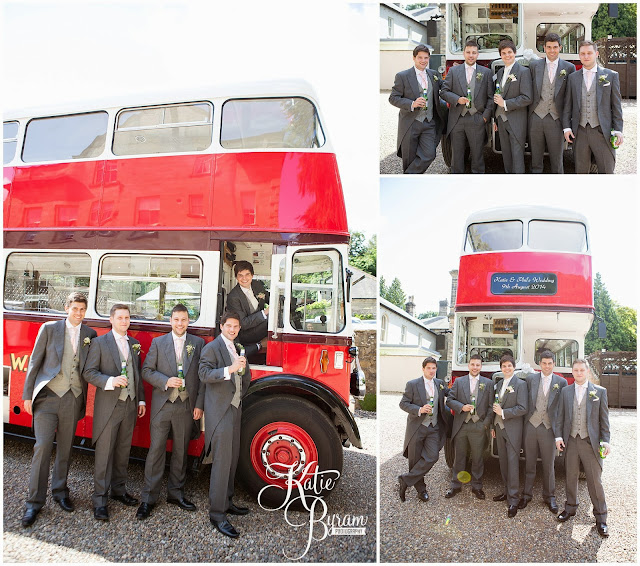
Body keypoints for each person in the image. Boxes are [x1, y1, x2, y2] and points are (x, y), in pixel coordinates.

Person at [20, 292, 97, 528]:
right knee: (42, 447)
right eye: (75, 309)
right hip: (47, 397)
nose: (79, 313)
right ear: (66, 308)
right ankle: (34, 502)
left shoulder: (90, 334)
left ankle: (60, 491)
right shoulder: (49, 329)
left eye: (82, 310)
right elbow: (34, 362)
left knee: (66, 448)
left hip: (73, 397)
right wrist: (27, 395)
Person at [136, 304, 205, 520]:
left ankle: (176, 493)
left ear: (188, 321)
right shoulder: (158, 343)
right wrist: (165, 381)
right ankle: (148, 498)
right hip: (163, 405)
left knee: (180, 452)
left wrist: (199, 405)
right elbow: (146, 371)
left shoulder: (198, 343)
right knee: (155, 451)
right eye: (176, 320)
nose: (180, 324)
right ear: (170, 321)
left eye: (184, 320)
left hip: (186, 405)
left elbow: (202, 377)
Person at [83, 304, 146, 521]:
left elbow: (136, 373)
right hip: (109, 406)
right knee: (104, 454)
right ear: (111, 319)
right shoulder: (100, 343)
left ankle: (118, 491)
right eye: (120, 317)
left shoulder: (135, 344)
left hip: (129, 405)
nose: (124, 321)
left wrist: (141, 400)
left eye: (127, 318)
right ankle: (99, 500)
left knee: (122, 451)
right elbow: (89, 373)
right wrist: (110, 381)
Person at [199, 312, 251, 538]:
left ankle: (228, 501)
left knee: (232, 457)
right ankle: (217, 514)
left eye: (236, 326)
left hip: (235, 407)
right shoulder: (212, 347)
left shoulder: (237, 346)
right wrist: (229, 370)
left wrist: (242, 375)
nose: (232, 329)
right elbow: (203, 374)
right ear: (221, 326)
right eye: (228, 325)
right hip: (219, 410)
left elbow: (244, 376)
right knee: (221, 461)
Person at [555, 359, 611, 537]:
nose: (579, 373)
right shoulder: (565, 392)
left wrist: (606, 440)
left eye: (582, 370)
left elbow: (604, 420)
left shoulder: (599, 392)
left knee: (595, 481)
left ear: (587, 371)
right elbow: (560, 417)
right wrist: (558, 437)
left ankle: (601, 518)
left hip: (590, 442)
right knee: (570, 477)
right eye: (576, 370)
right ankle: (570, 508)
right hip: (570, 441)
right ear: (572, 372)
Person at [563, 40, 624, 174]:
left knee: (607, 170)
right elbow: (568, 105)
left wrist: (618, 130)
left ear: (596, 54)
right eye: (583, 53)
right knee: (581, 171)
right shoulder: (573, 78)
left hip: (603, 131)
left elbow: (616, 106)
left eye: (589, 53)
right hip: (580, 132)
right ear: (579, 56)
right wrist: (567, 127)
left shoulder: (611, 75)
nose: (586, 56)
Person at [520, 351, 567, 513]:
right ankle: (526, 495)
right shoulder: (530, 379)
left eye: (550, 363)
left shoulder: (561, 382)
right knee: (529, 463)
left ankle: (549, 497)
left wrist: (559, 432)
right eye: (544, 363)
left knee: (549, 465)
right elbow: (524, 402)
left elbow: (562, 410)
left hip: (548, 429)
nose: (547, 366)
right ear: (539, 364)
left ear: (554, 364)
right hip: (531, 427)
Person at [398, 357, 451, 503]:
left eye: (434, 368)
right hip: (417, 427)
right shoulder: (413, 384)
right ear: (423, 369)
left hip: (433, 427)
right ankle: (421, 490)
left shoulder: (440, 383)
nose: (432, 371)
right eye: (429, 368)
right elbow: (403, 404)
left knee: (432, 456)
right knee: (414, 461)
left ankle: (405, 480)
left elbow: (450, 394)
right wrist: (419, 409)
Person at [389, 44, 447, 174]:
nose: (423, 61)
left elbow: (446, 88)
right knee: (409, 158)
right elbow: (393, 98)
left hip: (429, 122)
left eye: (426, 58)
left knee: (429, 154)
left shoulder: (434, 75)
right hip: (410, 123)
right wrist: (411, 103)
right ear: (414, 58)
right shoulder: (402, 76)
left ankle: (408, 176)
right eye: (420, 57)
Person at [440, 40, 494, 173]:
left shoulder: (486, 73)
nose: (471, 55)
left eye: (474, 53)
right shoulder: (453, 71)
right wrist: (457, 99)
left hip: (477, 119)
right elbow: (443, 92)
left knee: (477, 157)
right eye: (468, 52)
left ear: (478, 55)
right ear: (464, 53)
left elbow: (491, 97)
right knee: (456, 157)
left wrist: (485, 118)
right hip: (457, 119)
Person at [445, 354, 494, 499]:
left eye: (477, 365)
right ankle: (455, 485)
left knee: (478, 458)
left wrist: (485, 424)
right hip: (462, 425)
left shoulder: (488, 383)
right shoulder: (459, 382)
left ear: (481, 366)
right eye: (472, 364)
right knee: (459, 458)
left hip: (478, 426)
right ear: (468, 366)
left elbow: (491, 407)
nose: (475, 367)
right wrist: (461, 407)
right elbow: (449, 400)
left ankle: (477, 486)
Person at [528, 33, 576, 174]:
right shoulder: (534, 66)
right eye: (549, 47)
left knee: (557, 159)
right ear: (544, 48)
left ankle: (557, 188)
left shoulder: (569, 68)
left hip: (556, 118)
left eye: (555, 47)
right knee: (535, 158)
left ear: (560, 47)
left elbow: (569, 97)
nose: (552, 50)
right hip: (536, 117)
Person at [491, 354, 527, 517]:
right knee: (503, 463)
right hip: (499, 428)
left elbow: (522, 408)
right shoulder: (498, 384)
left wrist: (504, 412)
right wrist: (493, 424)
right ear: (501, 368)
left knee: (513, 464)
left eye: (509, 366)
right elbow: (495, 406)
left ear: (514, 367)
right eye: (504, 366)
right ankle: (506, 491)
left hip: (513, 429)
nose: (506, 368)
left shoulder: (520, 384)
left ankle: (513, 500)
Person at [493, 39, 532, 174]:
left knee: (517, 156)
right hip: (501, 120)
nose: (507, 55)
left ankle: (518, 186)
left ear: (515, 53)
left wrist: (505, 104)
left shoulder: (523, 72)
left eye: (509, 52)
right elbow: (497, 95)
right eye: (504, 53)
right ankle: (508, 182)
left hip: (516, 120)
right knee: (506, 155)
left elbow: (527, 98)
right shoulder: (499, 73)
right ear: (501, 55)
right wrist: (495, 117)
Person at [225, 260, 268, 353]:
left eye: (247, 274)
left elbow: (267, 296)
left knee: (277, 320)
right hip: (246, 333)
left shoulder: (257, 285)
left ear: (252, 275)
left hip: (258, 325)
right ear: (236, 277)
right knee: (271, 322)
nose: (244, 278)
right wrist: (265, 313)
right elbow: (243, 324)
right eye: (240, 275)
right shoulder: (233, 297)